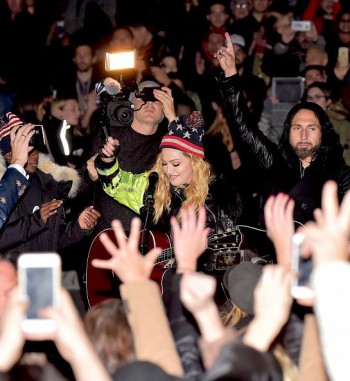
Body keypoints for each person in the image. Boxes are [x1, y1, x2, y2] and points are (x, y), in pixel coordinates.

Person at [215, 31, 350, 227]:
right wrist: (230, 76)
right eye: (297, 128)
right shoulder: (275, 162)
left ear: (322, 132)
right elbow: (243, 126)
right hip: (276, 249)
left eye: (311, 128)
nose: (303, 135)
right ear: (288, 132)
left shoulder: (340, 173)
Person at [93, 105, 242, 249]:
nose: (168, 171)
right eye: (164, 163)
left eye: (176, 164)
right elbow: (118, 185)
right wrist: (108, 161)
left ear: (196, 163)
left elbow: (227, 259)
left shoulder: (218, 202)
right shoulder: (158, 185)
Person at [0, 112, 101, 266]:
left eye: (36, 150)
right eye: (28, 152)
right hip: (9, 279)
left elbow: (53, 241)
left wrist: (78, 227)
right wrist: (36, 220)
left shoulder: (47, 184)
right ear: (9, 155)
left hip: (43, 277)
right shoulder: (5, 189)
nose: (35, 157)